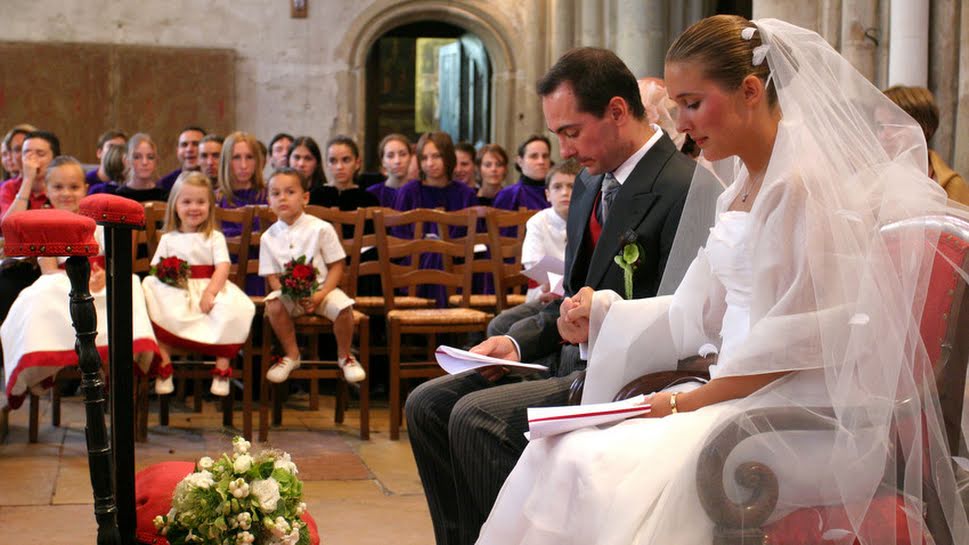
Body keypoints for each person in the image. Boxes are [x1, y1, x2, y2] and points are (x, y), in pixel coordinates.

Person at [476, 16, 969, 545]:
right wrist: (602, 313)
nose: (681, 123)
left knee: (597, 467)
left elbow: (804, 340)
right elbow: (698, 308)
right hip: (733, 393)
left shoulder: (803, 187)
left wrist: (686, 401)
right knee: (560, 451)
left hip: (798, 413)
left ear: (750, 91)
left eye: (692, 103)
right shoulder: (738, 188)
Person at [406, 47, 694, 545]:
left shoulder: (680, 186)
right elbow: (570, 294)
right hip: (568, 360)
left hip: (625, 377)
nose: (564, 149)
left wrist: (598, 320)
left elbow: (681, 317)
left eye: (571, 131)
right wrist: (515, 345)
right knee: (426, 404)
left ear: (617, 111)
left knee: (477, 419)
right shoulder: (589, 182)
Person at [1, 156, 160, 409]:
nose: (66, 193)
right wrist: (81, 281)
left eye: (74, 187)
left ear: (85, 189)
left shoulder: (98, 223)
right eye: (58, 187)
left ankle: (114, 364)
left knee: (129, 283)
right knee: (46, 290)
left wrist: (101, 277)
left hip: (101, 284)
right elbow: (49, 269)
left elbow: (111, 261)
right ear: (47, 190)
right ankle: (54, 358)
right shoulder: (45, 224)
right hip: (64, 288)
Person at [142, 171, 256, 396]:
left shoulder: (214, 237)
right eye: (187, 202)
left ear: (210, 206)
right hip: (178, 289)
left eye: (201, 202)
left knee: (233, 309)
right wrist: (169, 277)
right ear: (175, 205)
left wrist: (210, 293)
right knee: (151, 296)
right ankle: (164, 367)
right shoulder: (168, 239)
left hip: (209, 285)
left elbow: (223, 267)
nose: (194, 208)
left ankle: (221, 369)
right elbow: (156, 269)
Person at [258, 167, 365, 384]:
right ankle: (292, 355)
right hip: (290, 294)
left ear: (305, 198)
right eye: (275, 193)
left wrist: (320, 295)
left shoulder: (321, 228)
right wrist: (288, 293)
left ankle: (345, 356)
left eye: (290, 192)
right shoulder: (267, 237)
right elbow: (272, 276)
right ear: (269, 200)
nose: (282, 198)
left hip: (323, 290)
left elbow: (337, 266)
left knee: (344, 308)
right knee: (273, 305)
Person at [486, 159, 579, 338]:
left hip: (576, 297)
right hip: (545, 295)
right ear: (547, 194)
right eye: (557, 187)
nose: (565, 192)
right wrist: (557, 287)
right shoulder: (538, 222)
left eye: (571, 186)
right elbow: (533, 264)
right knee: (499, 326)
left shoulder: (589, 219)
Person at [883, 85, 969, 206]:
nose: (885, 134)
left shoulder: (951, 185)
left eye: (895, 124)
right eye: (880, 126)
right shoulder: (872, 180)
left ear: (923, 127)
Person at [216, 131, 267, 238]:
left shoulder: (269, 197)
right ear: (226, 161)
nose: (244, 165)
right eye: (236, 157)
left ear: (257, 161)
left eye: (249, 157)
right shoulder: (214, 200)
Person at [310, 135, 379, 211]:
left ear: (357, 163)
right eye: (333, 161)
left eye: (346, 160)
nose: (339, 167)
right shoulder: (314, 197)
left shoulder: (368, 200)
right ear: (326, 164)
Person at [0, 130, 57, 222]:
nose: (31, 159)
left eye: (40, 154)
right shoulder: (9, 187)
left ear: (54, 159)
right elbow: (8, 224)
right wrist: (28, 179)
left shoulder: (62, 187)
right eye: (26, 153)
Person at [492, 135, 553, 211]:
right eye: (534, 156)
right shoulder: (509, 195)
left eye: (545, 156)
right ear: (520, 161)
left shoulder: (558, 192)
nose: (541, 161)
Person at [116, 133, 169, 203]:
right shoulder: (118, 197)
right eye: (137, 157)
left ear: (156, 161)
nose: (145, 162)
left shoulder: (165, 196)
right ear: (126, 161)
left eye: (150, 157)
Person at [367, 133, 411, 208]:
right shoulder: (371, 194)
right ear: (383, 162)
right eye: (390, 156)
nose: (397, 161)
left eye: (403, 154)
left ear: (410, 157)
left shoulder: (419, 191)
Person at [157, 126, 206, 191]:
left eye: (195, 144)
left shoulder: (217, 181)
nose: (189, 149)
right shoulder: (164, 185)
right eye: (184, 145)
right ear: (177, 151)